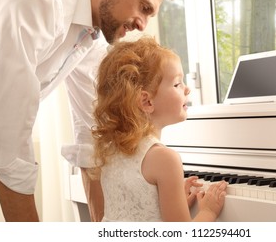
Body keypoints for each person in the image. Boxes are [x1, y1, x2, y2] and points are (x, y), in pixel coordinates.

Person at [0, 0, 178, 222]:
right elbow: (8, 140)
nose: (143, 25)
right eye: (144, 7)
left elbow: (90, 140)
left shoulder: (88, 39)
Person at [92, 37, 227, 221]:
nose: (187, 89)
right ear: (147, 101)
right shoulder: (165, 159)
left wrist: (173, 200)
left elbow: (135, 211)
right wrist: (208, 211)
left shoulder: (110, 150)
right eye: (177, 84)